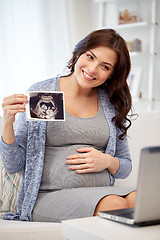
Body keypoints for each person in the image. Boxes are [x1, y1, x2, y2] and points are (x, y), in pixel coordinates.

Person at [0, 29, 136, 222]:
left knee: (142, 200)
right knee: (114, 205)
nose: (92, 69)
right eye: (90, 57)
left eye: (105, 66)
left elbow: (125, 167)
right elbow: (14, 165)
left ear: (112, 75)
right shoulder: (44, 94)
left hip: (102, 192)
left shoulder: (111, 103)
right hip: (50, 196)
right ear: (78, 53)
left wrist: (108, 161)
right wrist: (7, 123)